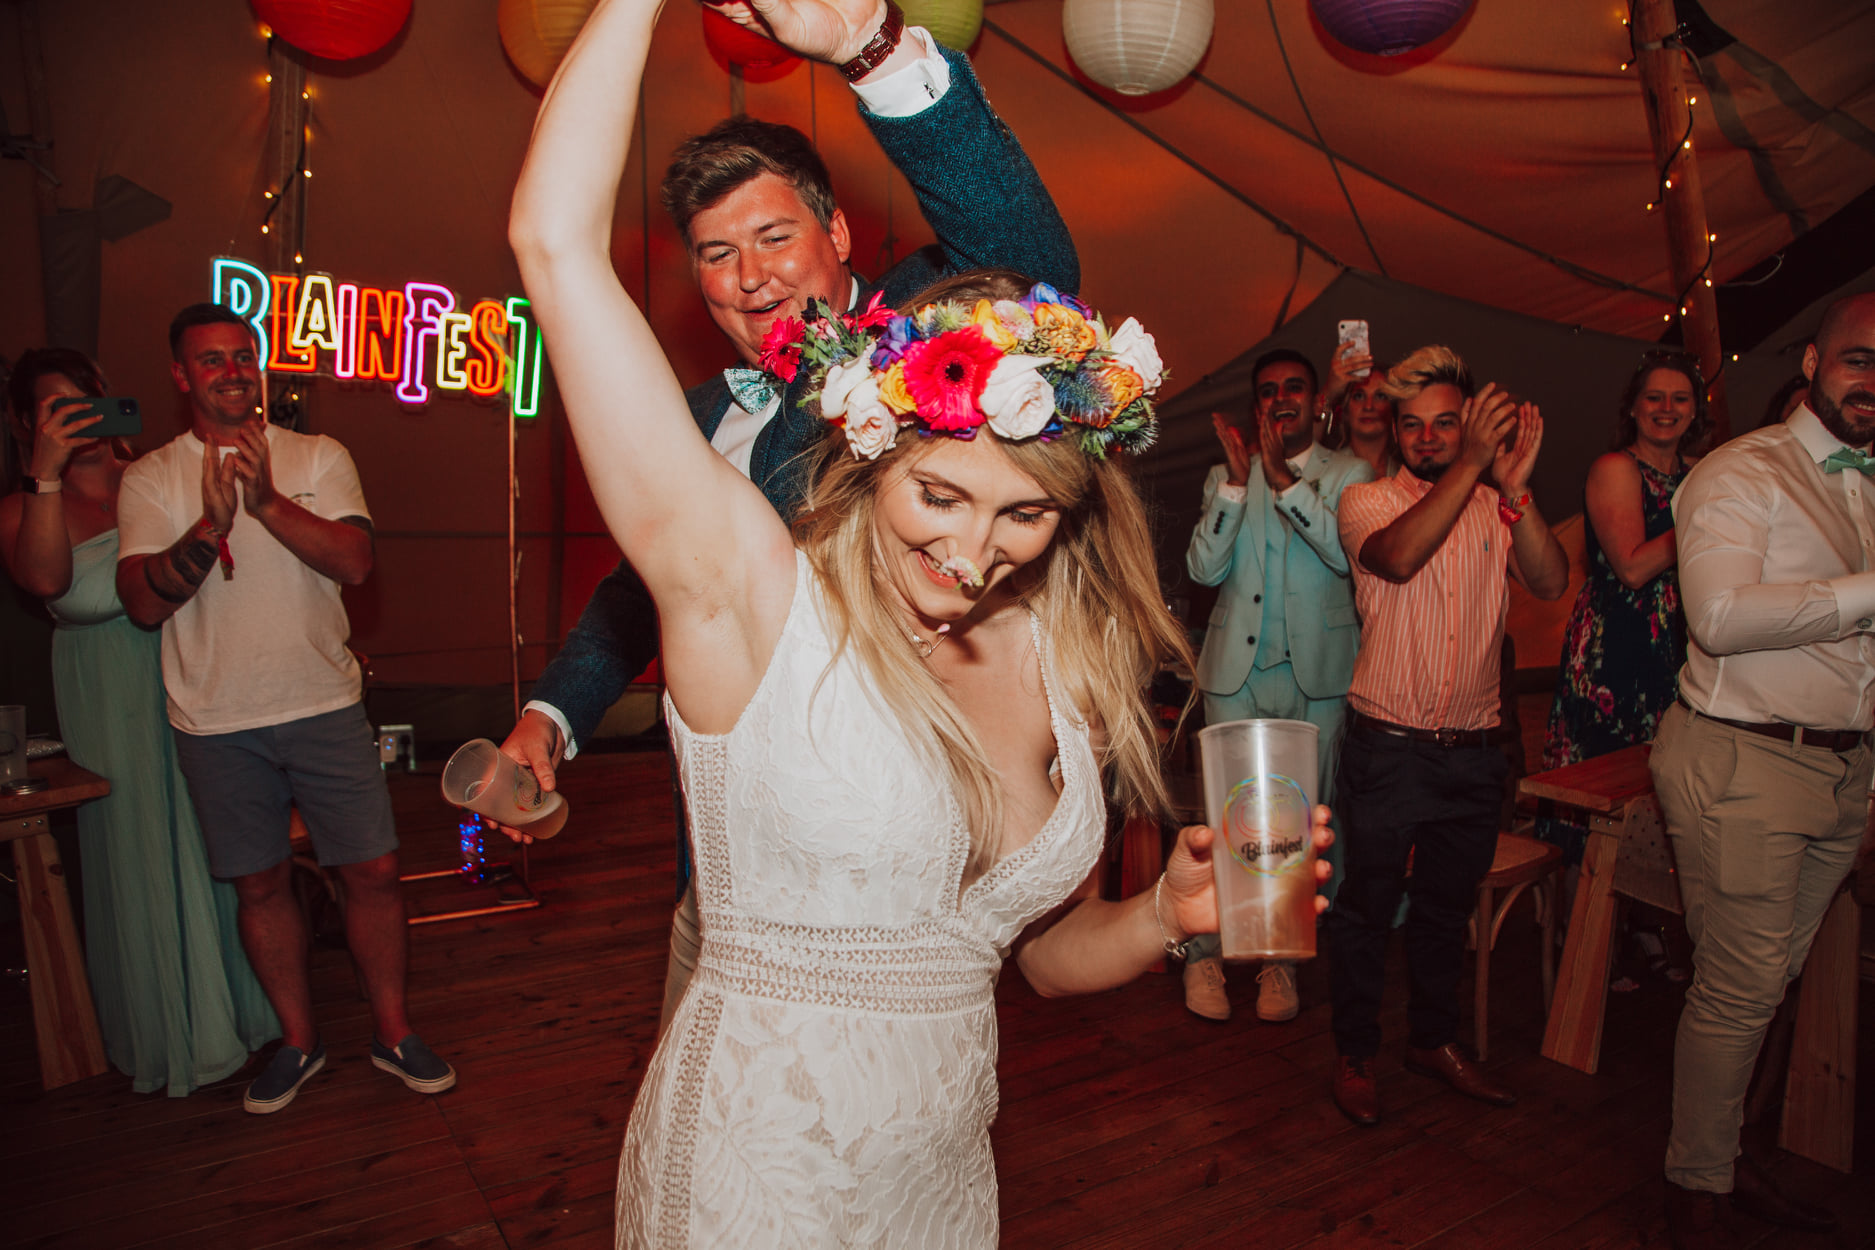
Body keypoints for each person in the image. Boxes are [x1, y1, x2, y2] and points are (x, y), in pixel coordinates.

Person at [507, 1, 1333, 1241]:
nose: (968, 550)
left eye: (1023, 515)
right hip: (759, 1179)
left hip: (945, 1180)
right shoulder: (752, 574)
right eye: (939, 495)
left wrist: (1168, 915)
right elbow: (555, 245)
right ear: (871, 453)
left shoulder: (1056, 648)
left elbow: (1033, 958)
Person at [493, 0, 1078, 1035]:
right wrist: (554, 713)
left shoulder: (926, 320)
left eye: (774, 236)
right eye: (718, 254)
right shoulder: (703, 414)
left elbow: (1034, 266)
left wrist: (874, 48)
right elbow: (640, 596)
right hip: (733, 857)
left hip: (895, 841)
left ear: (837, 231)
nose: (751, 275)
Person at [114, 305, 453, 1114]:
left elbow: (356, 561)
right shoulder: (152, 478)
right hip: (215, 719)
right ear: (180, 375)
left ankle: (393, 1031)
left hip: (324, 704)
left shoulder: (319, 456)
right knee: (261, 885)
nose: (230, 372)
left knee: (370, 871)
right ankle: (299, 1041)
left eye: (241, 357)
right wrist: (211, 523)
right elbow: (140, 603)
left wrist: (264, 503)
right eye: (209, 361)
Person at [1649, 293, 1875, 1248]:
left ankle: (1727, 1155)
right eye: (1859, 359)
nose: (1873, 383)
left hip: (1841, 769)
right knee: (1740, 987)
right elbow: (1721, 618)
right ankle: (1692, 1191)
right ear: (1813, 361)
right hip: (1743, 757)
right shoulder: (1742, 473)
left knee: (1769, 982)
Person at [1, 349, 278, 1096]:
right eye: (55, 409)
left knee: (211, 840)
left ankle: (247, 1015)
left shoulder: (154, 480)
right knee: (142, 848)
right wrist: (46, 473)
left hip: (193, 675)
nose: (78, 418)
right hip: (109, 694)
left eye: (85, 401)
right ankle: (174, 1031)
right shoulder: (24, 506)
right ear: (28, 424)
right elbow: (46, 581)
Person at [1328, 345, 1568, 1127]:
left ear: (1465, 424)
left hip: (1471, 751)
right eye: (1412, 425)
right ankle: (1354, 1054)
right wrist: (1474, 466)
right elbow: (1397, 560)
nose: (1428, 438)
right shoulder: (1364, 502)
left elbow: (1550, 581)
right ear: (1395, 433)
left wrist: (1518, 491)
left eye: (1445, 424)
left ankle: (1431, 1042)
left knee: (1441, 911)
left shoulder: (1496, 506)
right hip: (1385, 746)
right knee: (1366, 909)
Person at [1183, 349, 1371, 1023]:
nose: (1282, 399)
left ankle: (1278, 963)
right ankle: (1203, 951)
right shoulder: (1221, 477)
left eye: (1294, 387)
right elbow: (1203, 571)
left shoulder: (1348, 473)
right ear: (1256, 403)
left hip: (1317, 673)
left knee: (1297, 820)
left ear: (1317, 400)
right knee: (1224, 814)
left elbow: (1345, 555)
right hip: (1235, 669)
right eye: (1269, 391)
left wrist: (1283, 481)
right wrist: (1236, 487)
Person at [1540, 352, 1706, 844]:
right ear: (1633, 408)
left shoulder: (1701, 474)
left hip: (1681, 646)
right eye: (1654, 397)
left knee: (1670, 790)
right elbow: (1632, 568)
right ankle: (1582, 910)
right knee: (1606, 790)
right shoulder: (1615, 468)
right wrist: (1702, 522)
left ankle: (1646, 914)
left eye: (1680, 399)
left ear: (1695, 411)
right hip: (1618, 648)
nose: (1666, 408)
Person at [1325, 357, 1399, 479]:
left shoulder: (1407, 474)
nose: (1368, 406)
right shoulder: (1326, 471)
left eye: (1380, 396)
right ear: (1345, 408)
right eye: (1359, 396)